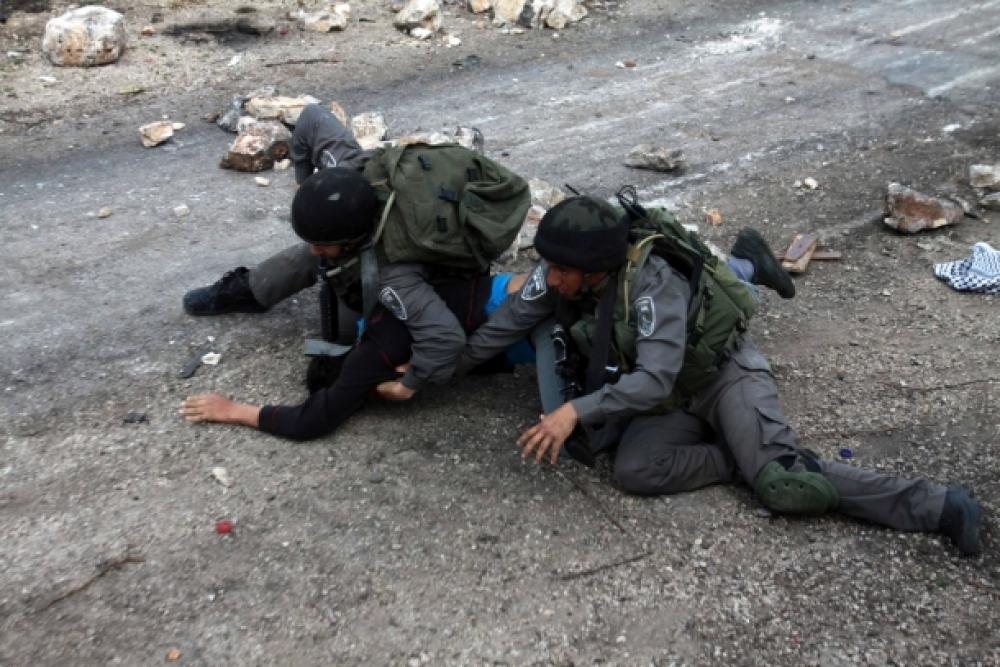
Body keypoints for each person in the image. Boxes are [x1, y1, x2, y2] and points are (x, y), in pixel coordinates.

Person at [455, 193, 983, 556]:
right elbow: (507, 324)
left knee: (784, 485)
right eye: (548, 267)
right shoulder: (563, 273)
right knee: (635, 470)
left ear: (595, 269)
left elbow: (654, 379)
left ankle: (938, 505)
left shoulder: (652, 284)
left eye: (561, 271)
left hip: (721, 375)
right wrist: (432, 374)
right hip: (668, 398)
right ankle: (740, 458)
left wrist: (574, 411)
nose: (549, 279)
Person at [183, 103, 529, 401]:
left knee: (348, 338)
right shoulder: (346, 163)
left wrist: (409, 384)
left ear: (354, 240)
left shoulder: (394, 275)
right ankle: (251, 291)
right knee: (309, 256)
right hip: (385, 230)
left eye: (324, 243)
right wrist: (304, 180)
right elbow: (312, 118)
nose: (315, 249)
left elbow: (444, 337)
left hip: (430, 267)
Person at [180, 272, 533, 440]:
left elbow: (310, 421)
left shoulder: (377, 356)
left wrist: (234, 410)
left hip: (510, 315)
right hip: (500, 290)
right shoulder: (373, 319)